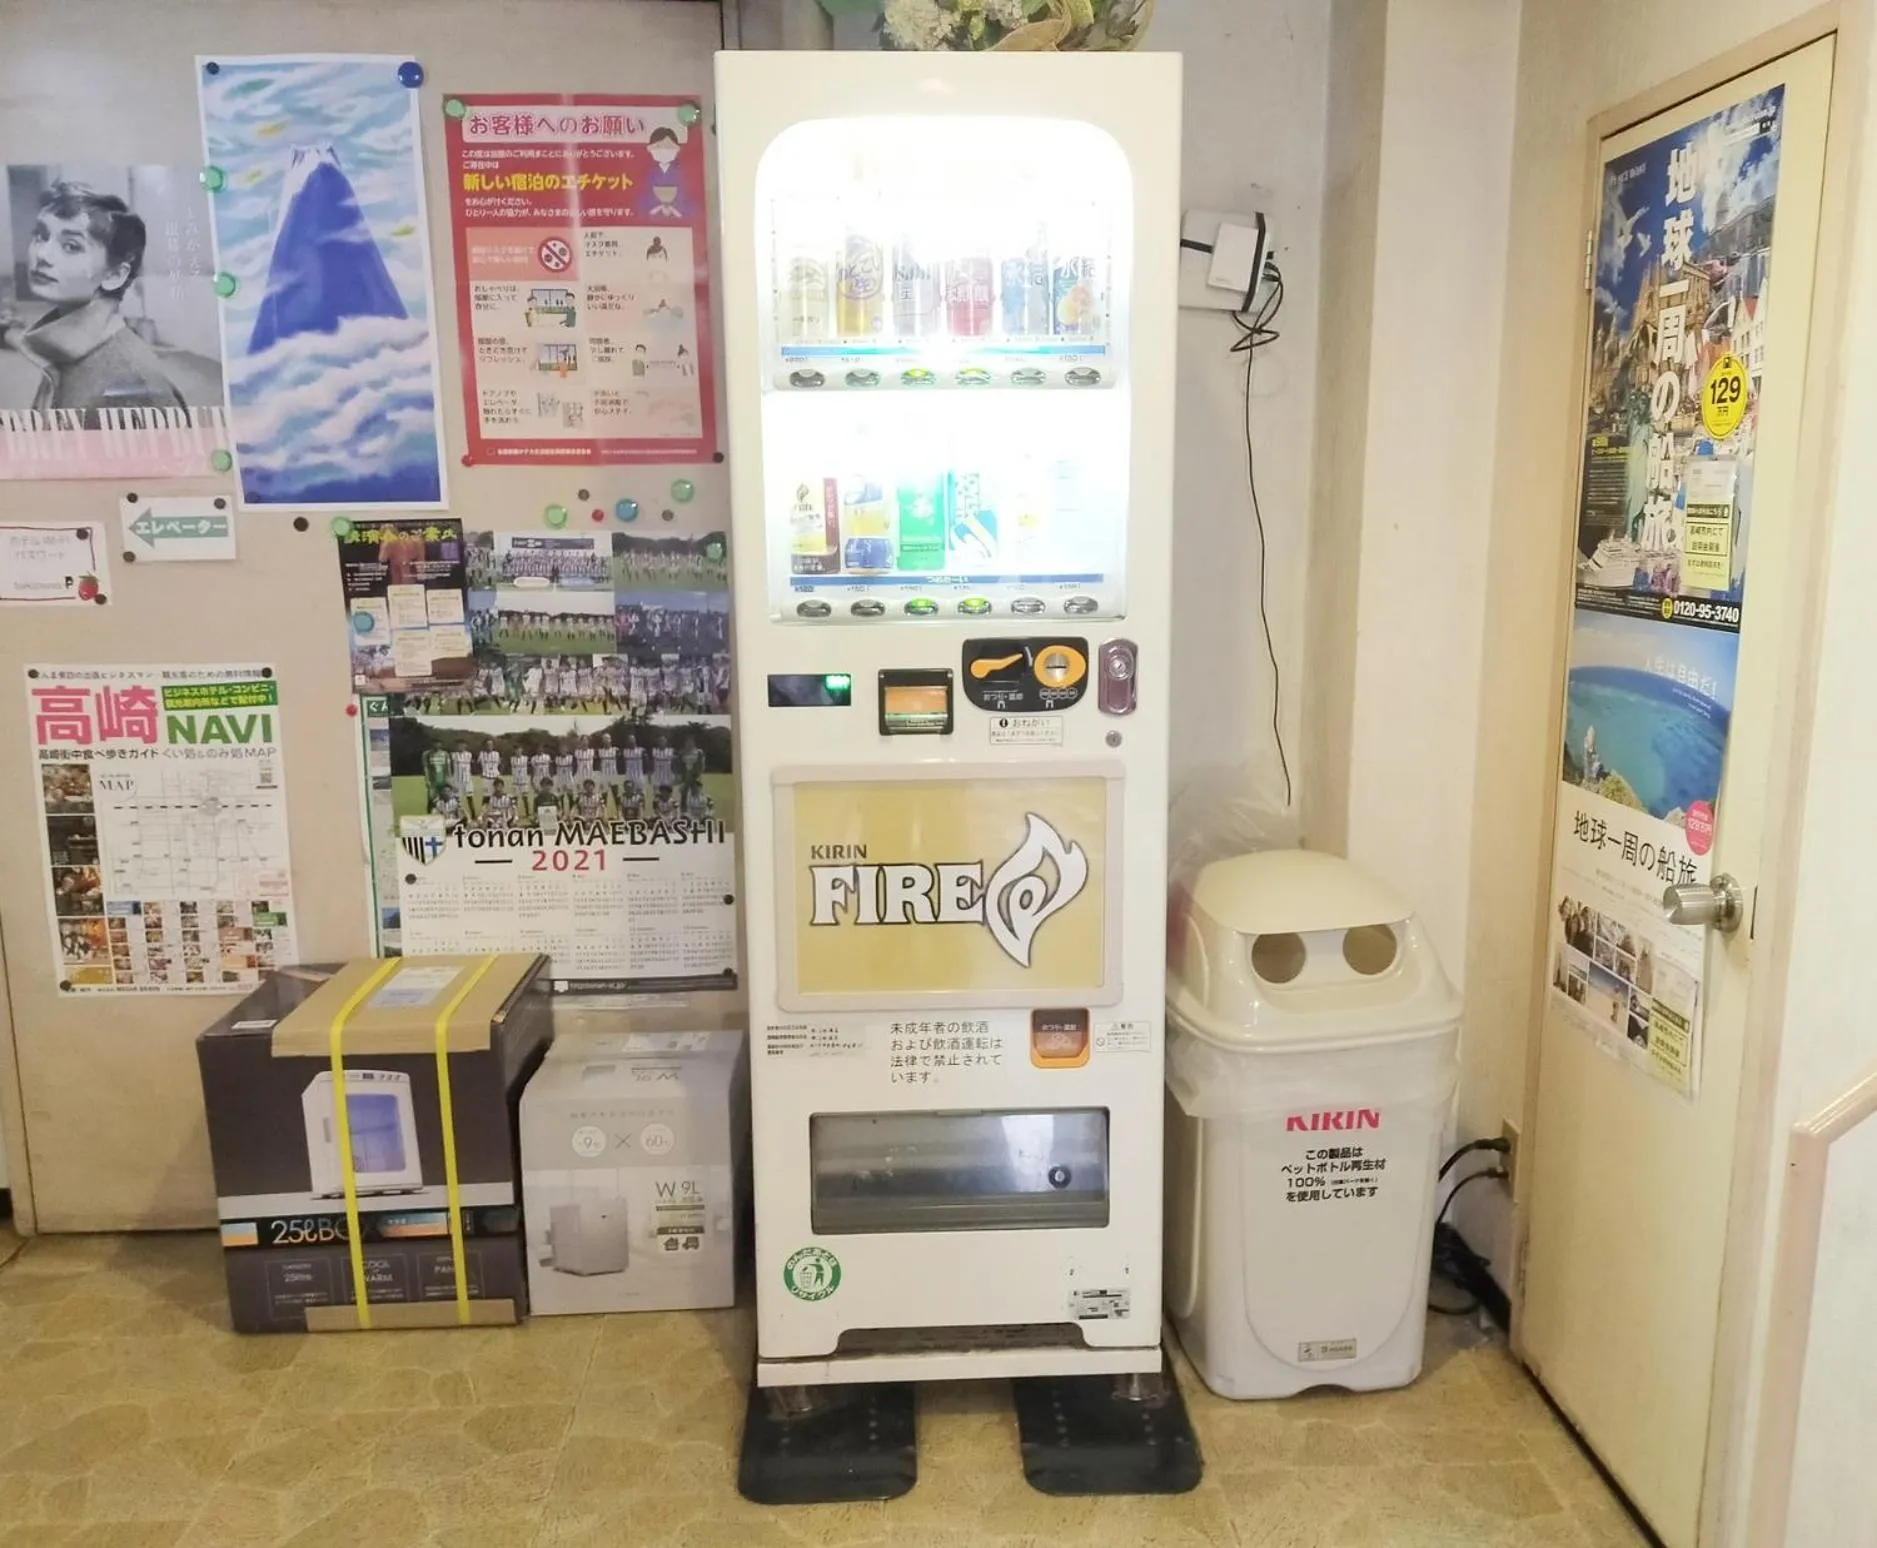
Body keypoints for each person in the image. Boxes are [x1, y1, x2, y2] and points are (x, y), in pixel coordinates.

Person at [0, 183, 187, 422]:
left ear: (115, 275)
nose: (42, 255)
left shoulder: (133, 384)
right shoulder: (63, 348)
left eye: (71, 246)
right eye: (40, 236)